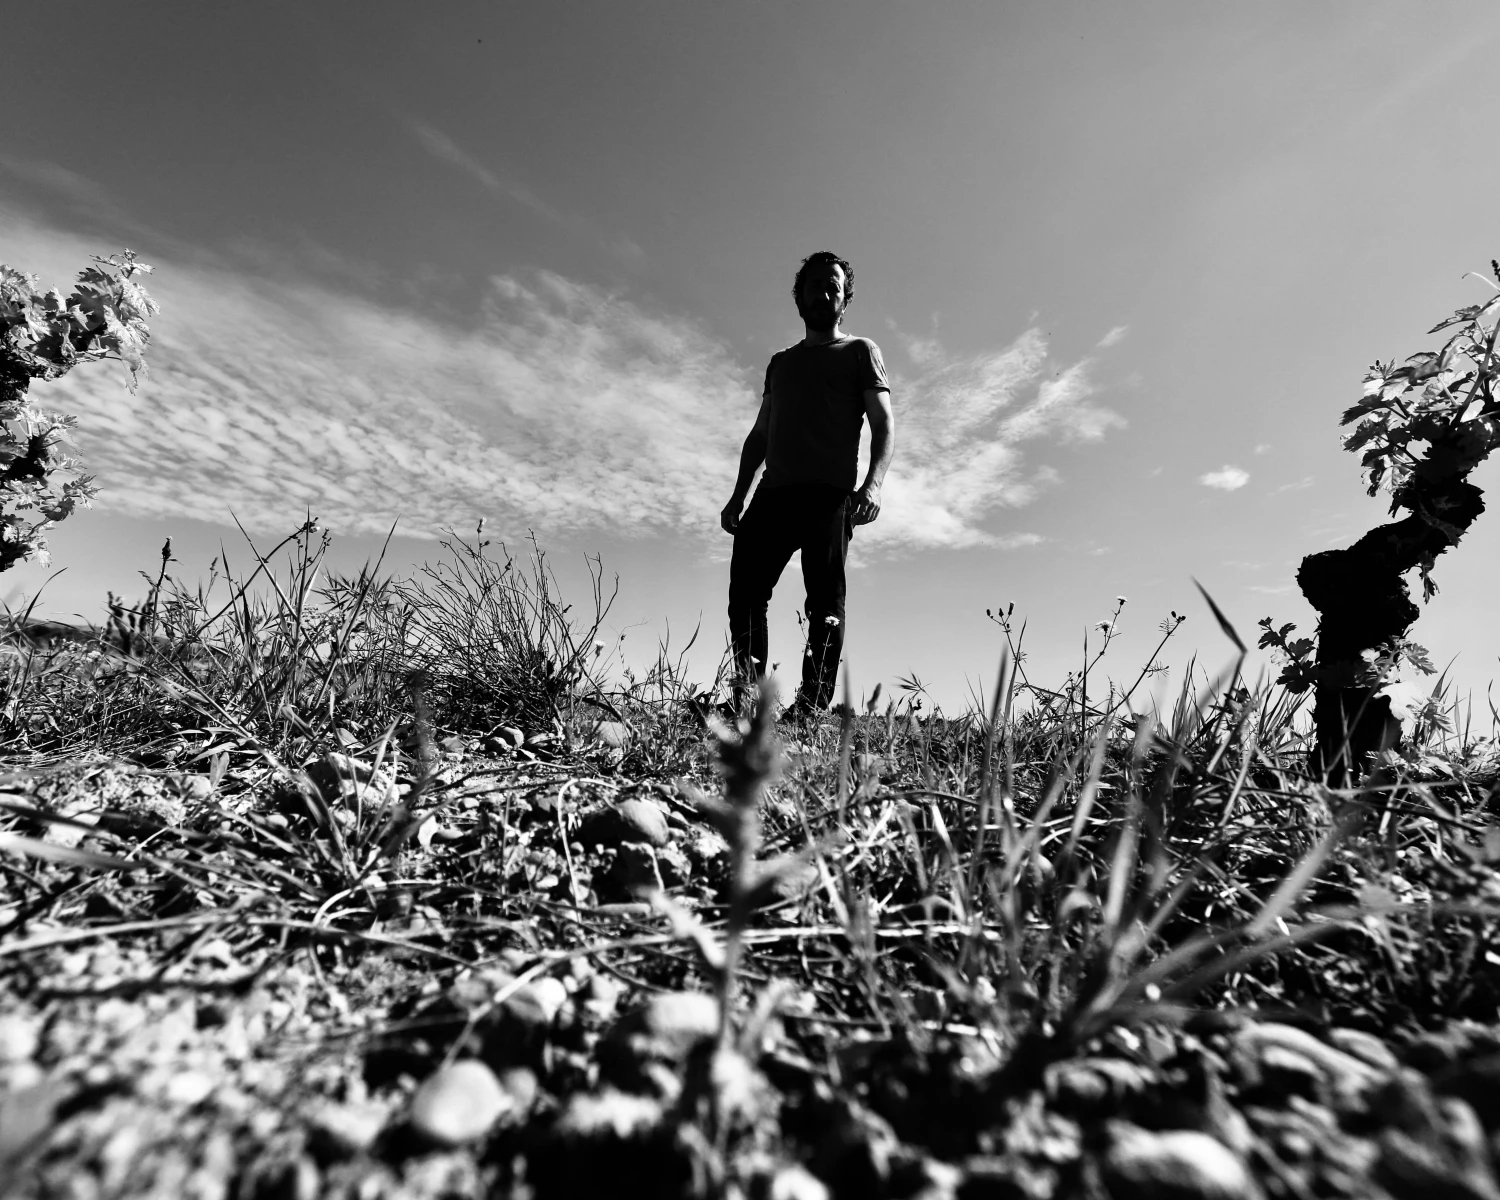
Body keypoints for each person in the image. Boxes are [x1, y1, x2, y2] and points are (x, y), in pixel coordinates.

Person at [721, 251, 895, 720]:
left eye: (832, 287)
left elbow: (883, 423)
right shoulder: (780, 363)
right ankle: (748, 698)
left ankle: (811, 709)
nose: (823, 293)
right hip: (773, 496)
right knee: (745, 594)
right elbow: (760, 434)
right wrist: (740, 494)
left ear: (845, 299)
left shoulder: (861, 352)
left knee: (825, 604)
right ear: (798, 296)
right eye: (814, 285)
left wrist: (872, 486)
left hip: (830, 498)